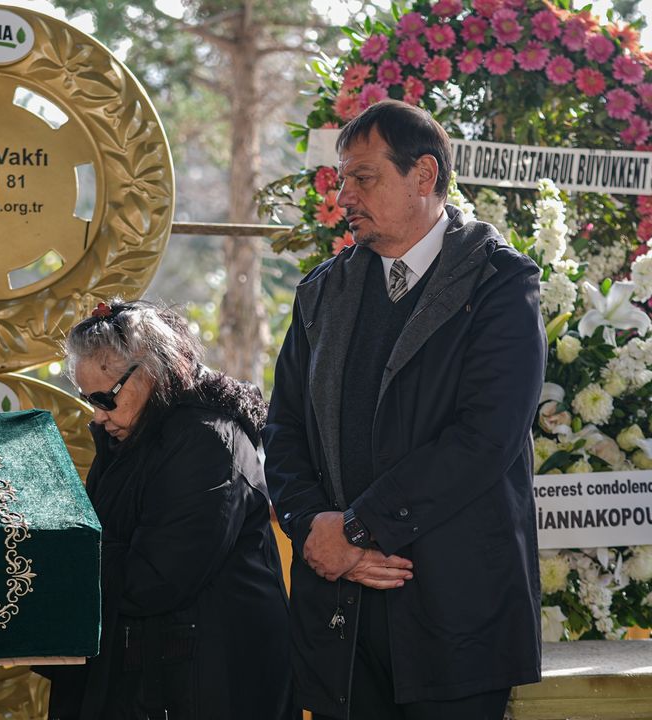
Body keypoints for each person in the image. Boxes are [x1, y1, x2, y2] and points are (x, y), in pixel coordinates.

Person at [264, 99, 545, 719]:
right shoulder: (321, 292)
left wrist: (358, 529)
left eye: (363, 178)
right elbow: (282, 428)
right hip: (341, 623)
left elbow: (485, 438)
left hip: (454, 618)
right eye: (342, 180)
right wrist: (315, 527)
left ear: (423, 175)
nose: (344, 197)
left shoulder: (499, 284)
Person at [45, 299, 294, 720]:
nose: (98, 415)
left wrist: (67, 561)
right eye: (88, 399)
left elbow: (155, 577)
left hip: (208, 680)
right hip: (164, 671)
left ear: (151, 372)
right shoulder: (136, 431)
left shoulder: (206, 439)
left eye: (105, 398)